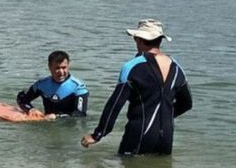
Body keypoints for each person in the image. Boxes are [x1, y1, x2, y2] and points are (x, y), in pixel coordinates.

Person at [81, 19, 192, 155]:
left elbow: (115, 104)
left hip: (138, 135)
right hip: (166, 139)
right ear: (160, 40)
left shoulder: (132, 66)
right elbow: (187, 103)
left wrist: (97, 134)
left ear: (139, 39)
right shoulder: (177, 67)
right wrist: (164, 116)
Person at [16, 50, 89, 120]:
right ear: (50, 67)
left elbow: (80, 115)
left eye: (64, 68)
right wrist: (31, 109)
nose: (61, 72)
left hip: (69, 127)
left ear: (68, 66)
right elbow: (21, 99)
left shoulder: (78, 87)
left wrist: (57, 117)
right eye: (57, 68)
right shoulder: (41, 85)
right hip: (47, 125)